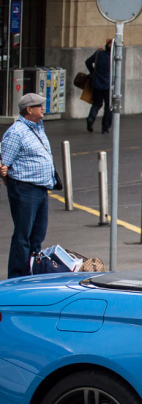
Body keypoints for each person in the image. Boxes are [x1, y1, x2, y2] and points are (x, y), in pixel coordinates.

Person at [0, 94, 56, 279]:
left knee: (37, 236)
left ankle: (31, 275)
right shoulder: (16, 132)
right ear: (29, 110)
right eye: (39, 106)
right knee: (23, 237)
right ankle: (16, 278)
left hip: (40, 188)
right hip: (25, 189)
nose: (43, 108)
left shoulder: (38, 128)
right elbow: (4, 163)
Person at [84, 39, 112, 133]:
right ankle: (105, 128)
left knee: (96, 104)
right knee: (108, 107)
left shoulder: (98, 54)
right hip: (108, 86)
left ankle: (90, 119)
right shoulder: (114, 58)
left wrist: (93, 72)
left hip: (97, 84)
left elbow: (88, 62)